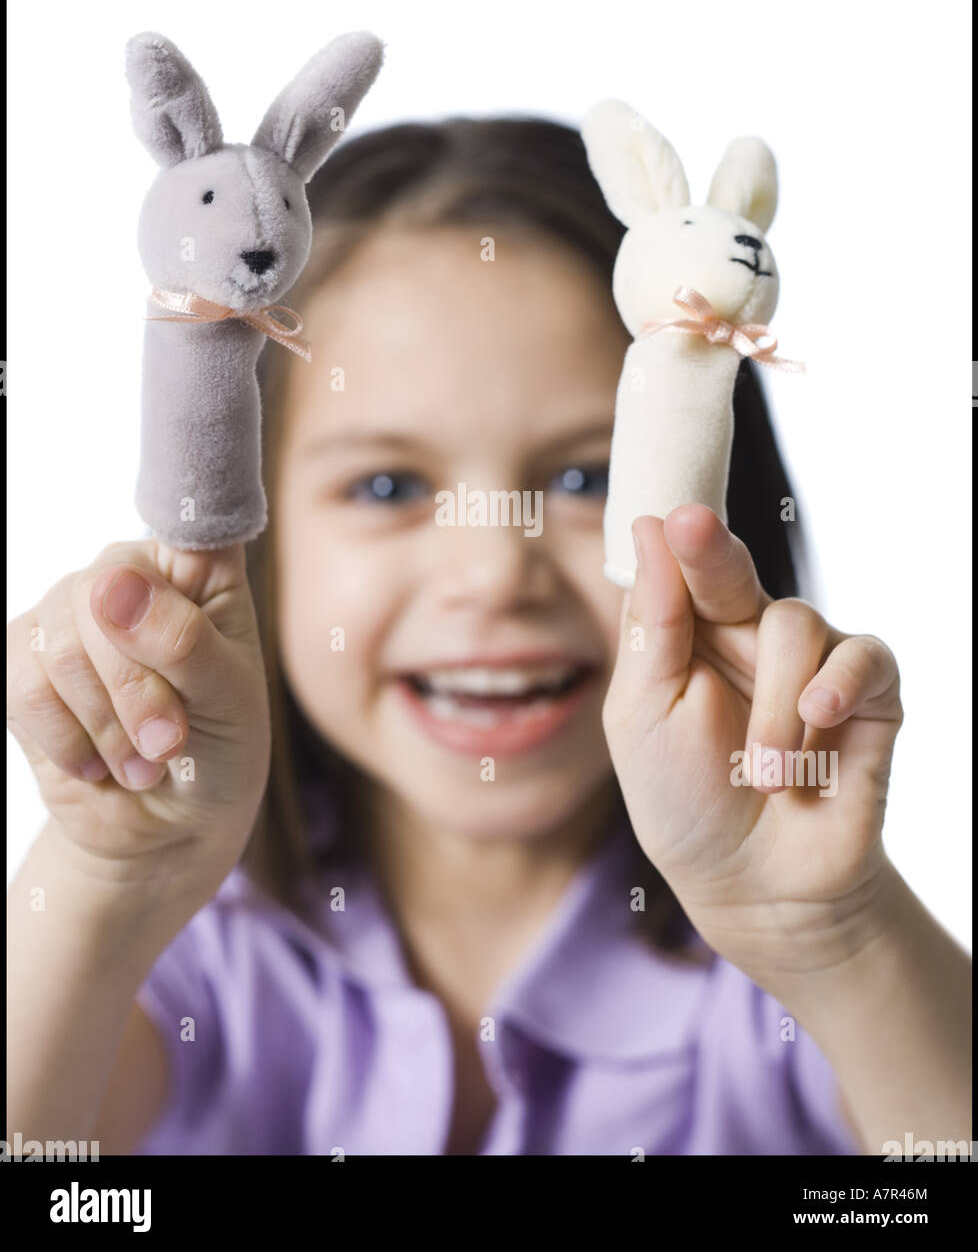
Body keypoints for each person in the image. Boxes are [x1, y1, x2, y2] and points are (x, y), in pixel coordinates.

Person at [7, 117, 970, 1156]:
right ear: (263, 535)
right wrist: (108, 889)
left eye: (582, 479)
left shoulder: (794, 979)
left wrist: (834, 936)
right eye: (388, 486)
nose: (493, 571)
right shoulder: (181, 958)